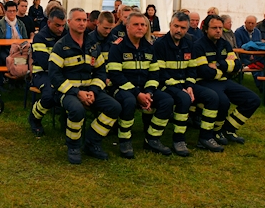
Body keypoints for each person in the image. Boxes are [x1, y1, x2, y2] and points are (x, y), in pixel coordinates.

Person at [49, 8, 120, 164]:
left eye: (84, 20)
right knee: (77, 109)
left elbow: (101, 71)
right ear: (69, 22)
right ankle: (73, 146)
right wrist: (77, 92)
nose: (82, 23)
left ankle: (92, 142)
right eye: (78, 20)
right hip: (66, 92)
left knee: (114, 107)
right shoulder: (60, 46)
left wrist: (93, 91)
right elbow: (54, 76)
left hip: (90, 90)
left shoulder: (93, 45)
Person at [154, 11, 224, 154]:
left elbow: (192, 69)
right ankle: (178, 140)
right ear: (170, 25)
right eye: (176, 26)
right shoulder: (160, 44)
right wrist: (181, 88)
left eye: (183, 28)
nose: (179, 30)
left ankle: (205, 137)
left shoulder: (189, 43)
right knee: (184, 99)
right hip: (166, 85)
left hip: (186, 85)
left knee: (212, 96)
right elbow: (160, 72)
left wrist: (190, 86)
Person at [107, 12, 173, 158]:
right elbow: (116, 75)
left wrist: (148, 93)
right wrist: (138, 94)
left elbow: (155, 73)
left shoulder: (150, 47)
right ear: (128, 27)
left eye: (143, 25)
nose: (140, 28)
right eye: (136, 24)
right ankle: (125, 140)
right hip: (122, 88)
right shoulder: (117, 47)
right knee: (129, 101)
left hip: (144, 90)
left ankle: (152, 139)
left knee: (167, 100)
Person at [194, 15, 260, 144]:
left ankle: (228, 129)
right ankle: (215, 132)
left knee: (253, 99)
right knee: (222, 101)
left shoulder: (225, 44)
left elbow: (237, 65)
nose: (218, 30)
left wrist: (218, 65)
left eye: (220, 27)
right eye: (214, 28)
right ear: (206, 29)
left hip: (223, 80)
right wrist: (226, 66)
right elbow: (204, 72)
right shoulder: (198, 46)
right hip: (205, 82)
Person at [27, 8, 66, 137]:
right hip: (42, 73)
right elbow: (44, 62)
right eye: (57, 25)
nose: (60, 29)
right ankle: (35, 118)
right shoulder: (40, 37)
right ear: (49, 23)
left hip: (62, 73)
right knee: (49, 95)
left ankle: (66, 120)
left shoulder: (67, 35)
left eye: (63, 25)